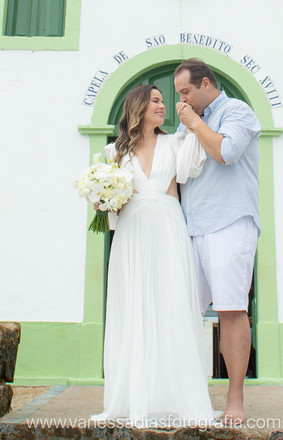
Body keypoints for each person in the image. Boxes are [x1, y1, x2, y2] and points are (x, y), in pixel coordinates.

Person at [91, 84, 214, 426]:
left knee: (171, 304)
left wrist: (192, 126)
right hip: (131, 235)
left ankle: (179, 396)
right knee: (133, 307)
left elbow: (192, 170)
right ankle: (132, 397)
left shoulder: (175, 142)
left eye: (164, 101)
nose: (164, 106)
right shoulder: (112, 152)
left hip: (168, 228)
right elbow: (108, 203)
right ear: (139, 106)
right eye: (156, 101)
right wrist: (101, 200)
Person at [173, 58, 261, 425]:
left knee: (230, 310)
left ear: (206, 83)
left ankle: (235, 399)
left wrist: (194, 123)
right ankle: (185, 394)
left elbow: (226, 153)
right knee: (179, 312)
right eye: (179, 94)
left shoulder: (237, 111)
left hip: (229, 222)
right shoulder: (187, 124)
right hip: (191, 228)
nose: (182, 101)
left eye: (186, 92)